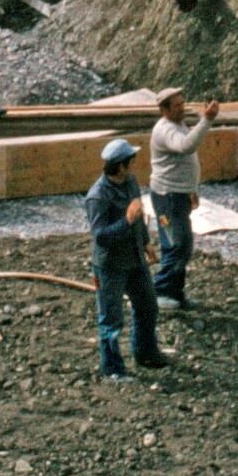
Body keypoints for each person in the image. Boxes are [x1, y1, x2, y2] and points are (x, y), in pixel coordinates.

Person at [85, 135, 168, 378]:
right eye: (131, 161)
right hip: (110, 266)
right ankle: (112, 370)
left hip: (134, 260)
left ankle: (145, 354)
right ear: (120, 166)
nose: (134, 165)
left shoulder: (130, 182)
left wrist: (145, 241)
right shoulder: (97, 197)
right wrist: (127, 221)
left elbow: (138, 213)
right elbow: (101, 236)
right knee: (111, 320)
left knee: (148, 306)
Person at [147, 87, 212, 308]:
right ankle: (161, 293)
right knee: (176, 244)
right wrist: (207, 120)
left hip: (177, 196)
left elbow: (184, 158)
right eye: (177, 106)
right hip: (167, 199)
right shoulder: (165, 130)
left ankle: (174, 293)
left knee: (178, 244)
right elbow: (186, 146)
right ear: (164, 110)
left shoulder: (177, 124)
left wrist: (191, 189)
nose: (182, 108)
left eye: (183, 104)